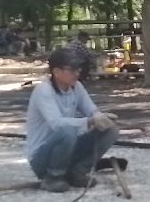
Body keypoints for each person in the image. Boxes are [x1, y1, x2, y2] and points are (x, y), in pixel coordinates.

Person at [26, 49, 120, 192]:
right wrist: (90, 121)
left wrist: (102, 118)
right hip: (41, 158)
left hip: (68, 150)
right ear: (56, 72)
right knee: (67, 131)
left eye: (78, 69)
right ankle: (53, 177)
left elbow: (92, 110)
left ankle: (78, 172)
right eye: (72, 70)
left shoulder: (76, 87)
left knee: (111, 130)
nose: (77, 73)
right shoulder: (44, 90)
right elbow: (57, 124)